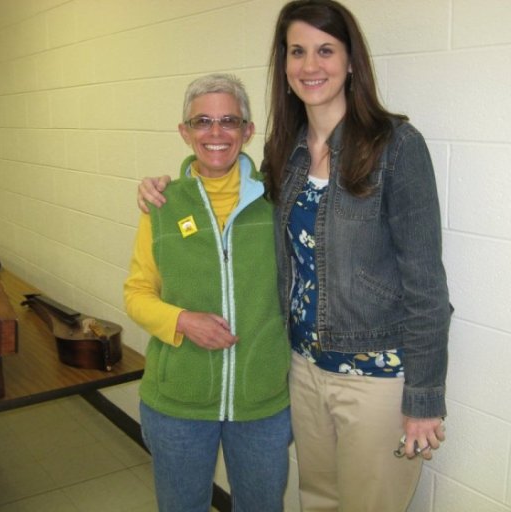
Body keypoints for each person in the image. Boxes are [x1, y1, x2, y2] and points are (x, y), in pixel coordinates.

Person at [137, 1, 452, 511]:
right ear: (283, 67)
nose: (311, 66)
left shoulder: (395, 146)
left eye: (325, 50)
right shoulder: (287, 152)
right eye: (297, 52)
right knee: (316, 500)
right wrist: (164, 187)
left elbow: (426, 285)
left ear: (351, 62)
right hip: (302, 371)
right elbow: (224, 189)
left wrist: (424, 400)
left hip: (373, 375)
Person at [124, 73, 292, 512]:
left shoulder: (279, 201)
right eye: (202, 121)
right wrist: (181, 321)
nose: (215, 133)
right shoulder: (162, 204)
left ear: (248, 131)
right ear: (185, 132)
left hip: (262, 401)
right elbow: (137, 293)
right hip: (178, 402)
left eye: (229, 121)